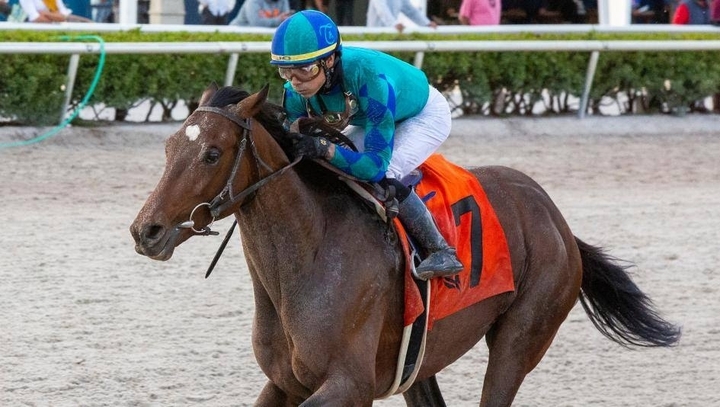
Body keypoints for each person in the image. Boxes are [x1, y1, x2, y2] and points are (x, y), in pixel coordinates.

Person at [270, 10, 464, 280]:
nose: (295, 82)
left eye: (305, 70)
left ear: (329, 60)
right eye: (286, 72)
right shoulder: (294, 91)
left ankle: (440, 250)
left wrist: (327, 149)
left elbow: (374, 166)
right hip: (374, 116)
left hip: (423, 115)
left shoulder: (369, 78)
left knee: (385, 174)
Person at [366, 0, 438, 32]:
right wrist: (393, 24)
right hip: (375, 36)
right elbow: (381, 9)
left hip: (391, 34)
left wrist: (427, 23)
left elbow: (411, 11)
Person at [18, 0, 91, 22]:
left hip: (59, 30)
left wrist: (45, 13)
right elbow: (36, 18)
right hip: (38, 33)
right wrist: (56, 16)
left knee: (88, 22)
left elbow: (64, 16)